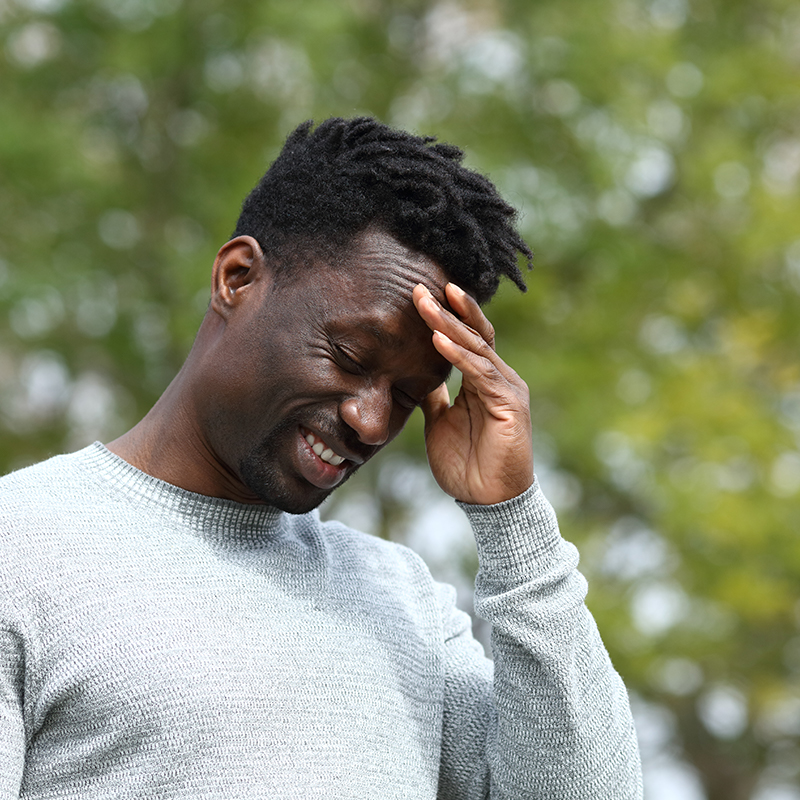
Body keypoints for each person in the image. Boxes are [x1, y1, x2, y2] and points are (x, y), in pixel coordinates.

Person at [0, 117, 642, 799]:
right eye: (349, 357)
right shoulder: (23, 547)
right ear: (237, 278)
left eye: (407, 395)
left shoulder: (403, 602)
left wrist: (512, 520)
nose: (371, 421)